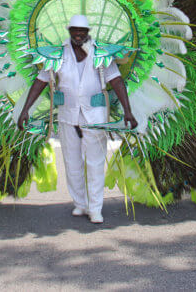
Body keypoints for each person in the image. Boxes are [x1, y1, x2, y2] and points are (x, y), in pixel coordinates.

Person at [17, 15, 138, 224]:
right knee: (72, 162)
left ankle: (96, 208)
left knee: (95, 162)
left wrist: (128, 111)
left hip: (95, 115)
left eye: (83, 30)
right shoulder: (57, 55)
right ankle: (80, 204)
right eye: (75, 30)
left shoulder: (100, 54)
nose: (79, 34)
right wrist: (25, 109)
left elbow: (116, 81)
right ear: (70, 31)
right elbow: (41, 81)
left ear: (88, 32)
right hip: (68, 114)